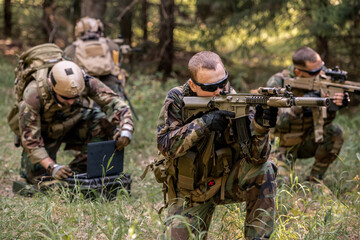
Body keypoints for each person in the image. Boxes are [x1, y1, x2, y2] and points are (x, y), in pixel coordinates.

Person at [156, 51, 277, 239]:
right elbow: (165, 146)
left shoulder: (235, 100)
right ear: (192, 85)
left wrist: (260, 127)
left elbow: (257, 158)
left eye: (223, 83)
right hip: (191, 192)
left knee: (265, 170)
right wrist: (204, 123)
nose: (220, 91)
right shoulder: (178, 99)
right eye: (211, 87)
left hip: (226, 181)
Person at [18, 60, 134, 184]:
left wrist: (126, 129)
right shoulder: (33, 94)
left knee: (103, 122)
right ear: (52, 88)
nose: (72, 102)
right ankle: (48, 171)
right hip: (45, 132)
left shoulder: (84, 81)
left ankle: (79, 170)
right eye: (66, 97)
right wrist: (52, 167)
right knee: (40, 179)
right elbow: (31, 140)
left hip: (74, 122)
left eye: (75, 97)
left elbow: (114, 102)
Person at [266, 46, 344, 183]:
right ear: (298, 72)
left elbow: (326, 122)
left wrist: (333, 106)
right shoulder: (277, 82)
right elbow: (276, 122)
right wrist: (302, 104)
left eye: (322, 68)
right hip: (282, 146)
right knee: (280, 184)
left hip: (308, 140)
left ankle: (315, 179)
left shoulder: (325, 79)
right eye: (315, 71)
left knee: (335, 133)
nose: (321, 73)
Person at [63, 16, 129, 97]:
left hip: (84, 91)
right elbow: (118, 64)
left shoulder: (72, 49)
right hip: (111, 89)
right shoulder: (111, 45)